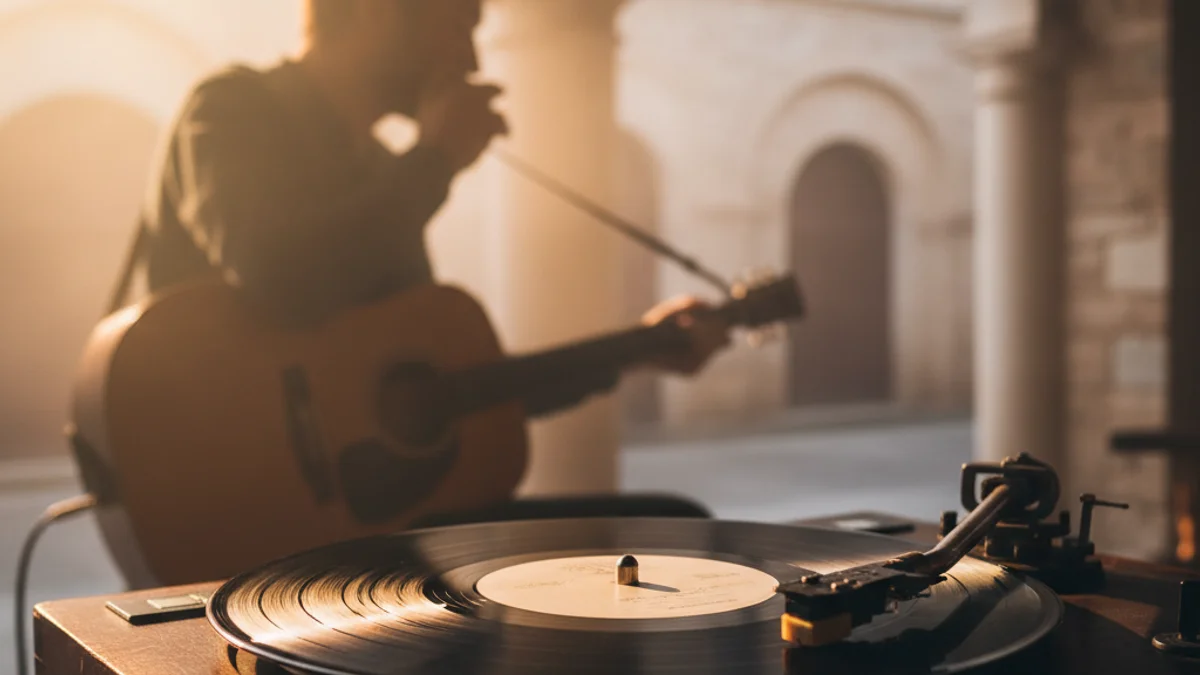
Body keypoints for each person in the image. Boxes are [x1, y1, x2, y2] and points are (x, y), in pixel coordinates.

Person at [133, 0, 729, 521]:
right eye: (461, 24)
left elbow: (438, 393)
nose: (470, 60)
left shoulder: (378, 172)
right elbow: (277, 277)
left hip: (374, 515)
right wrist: (436, 158)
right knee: (670, 527)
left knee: (676, 525)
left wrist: (640, 350)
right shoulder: (232, 108)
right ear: (376, 10)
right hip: (244, 509)